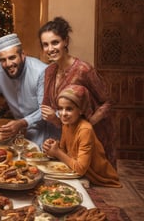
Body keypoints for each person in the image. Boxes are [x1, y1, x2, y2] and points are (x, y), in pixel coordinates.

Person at [39, 16, 117, 168]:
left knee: (97, 185)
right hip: (70, 137)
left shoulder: (83, 70)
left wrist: (86, 125)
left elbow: (108, 102)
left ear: (66, 42)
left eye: (55, 42)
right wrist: (54, 120)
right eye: (45, 45)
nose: (50, 49)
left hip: (95, 135)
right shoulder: (49, 71)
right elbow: (47, 106)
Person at [42, 85, 121, 187]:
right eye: (60, 109)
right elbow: (64, 151)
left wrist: (57, 152)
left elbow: (80, 169)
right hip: (76, 170)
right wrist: (52, 147)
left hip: (97, 178)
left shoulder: (85, 130)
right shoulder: (67, 124)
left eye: (69, 109)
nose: (63, 113)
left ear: (81, 110)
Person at [0, 33, 49, 147]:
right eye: (3, 60)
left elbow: (46, 109)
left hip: (45, 131)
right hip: (18, 134)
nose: (8, 64)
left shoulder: (41, 71)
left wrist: (22, 123)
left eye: (12, 57)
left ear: (23, 55)